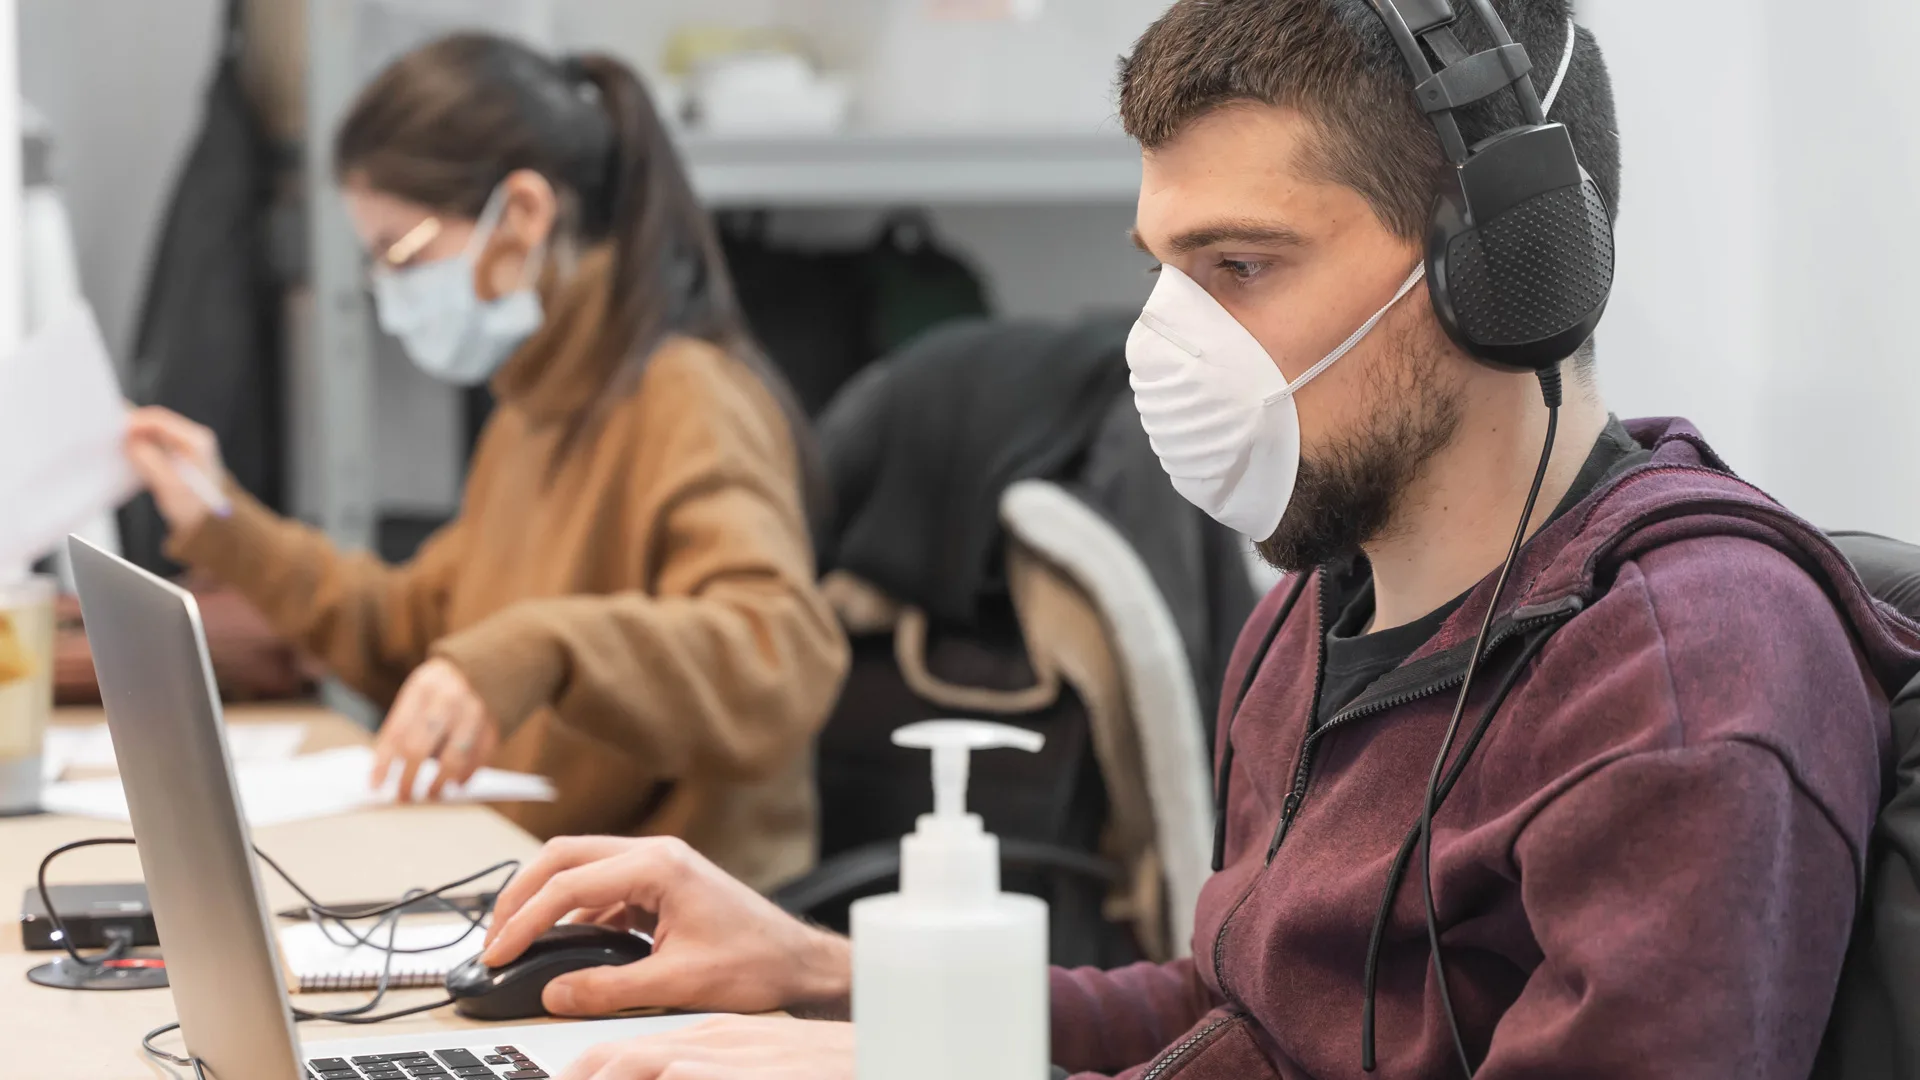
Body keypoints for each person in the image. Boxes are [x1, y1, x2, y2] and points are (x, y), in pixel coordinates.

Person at [456, 2, 1920, 1078]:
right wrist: (827, 981)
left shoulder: (1683, 673)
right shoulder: (1313, 615)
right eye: (1166, 271)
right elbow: (1239, 1027)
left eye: (1241, 267)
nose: (1175, 343)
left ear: (1502, 270)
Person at [121, 35, 848, 892]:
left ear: (525, 216)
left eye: (403, 253)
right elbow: (409, 627)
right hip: (524, 879)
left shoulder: (689, 400)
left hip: (665, 929)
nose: (390, 293)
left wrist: (544, 647)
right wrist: (220, 518)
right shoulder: (536, 407)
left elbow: (777, 656)